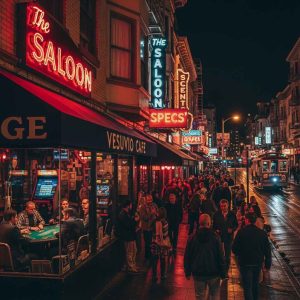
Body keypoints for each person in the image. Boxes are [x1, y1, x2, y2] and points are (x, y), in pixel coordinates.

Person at [184, 214, 226, 300]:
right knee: (214, 295)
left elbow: (187, 256)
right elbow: (221, 256)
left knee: (200, 296)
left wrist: (187, 272)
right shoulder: (215, 237)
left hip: (198, 273)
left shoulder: (192, 238)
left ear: (199, 223)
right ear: (209, 223)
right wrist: (223, 272)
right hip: (214, 273)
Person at [232, 213, 271, 300]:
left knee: (247, 286)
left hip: (245, 263)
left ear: (246, 220)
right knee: (255, 284)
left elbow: (234, 249)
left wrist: (240, 254)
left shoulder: (241, 232)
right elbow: (267, 251)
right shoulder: (262, 233)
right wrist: (267, 264)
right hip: (257, 263)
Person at [213, 199, 238, 274]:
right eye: (221, 206)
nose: (223, 208)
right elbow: (213, 225)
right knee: (219, 253)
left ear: (228, 206)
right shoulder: (217, 214)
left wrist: (232, 229)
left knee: (227, 255)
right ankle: (219, 269)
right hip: (219, 237)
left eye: (224, 206)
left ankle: (225, 271)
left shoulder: (232, 214)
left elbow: (236, 224)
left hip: (228, 237)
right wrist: (216, 230)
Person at [117, 200, 140, 273]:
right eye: (130, 205)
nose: (131, 206)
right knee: (130, 252)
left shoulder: (126, 214)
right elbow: (128, 225)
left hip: (131, 236)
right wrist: (135, 220)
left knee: (134, 251)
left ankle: (132, 265)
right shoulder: (122, 214)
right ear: (127, 206)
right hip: (128, 237)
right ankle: (130, 267)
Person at [151, 207, 170, 282]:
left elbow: (157, 234)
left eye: (158, 212)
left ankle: (154, 275)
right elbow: (165, 234)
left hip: (157, 243)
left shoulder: (158, 222)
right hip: (164, 243)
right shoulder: (165, 221)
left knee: (155, 260)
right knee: (163, 260)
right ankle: (163, 274)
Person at [139, 194, 158, 260]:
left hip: (154, 228)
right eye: (148, 200)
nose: (150, 201)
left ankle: (153, 256)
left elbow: (157, 214)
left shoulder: (154, 205)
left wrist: (156, 214)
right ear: (146, 200)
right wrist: (151, 214)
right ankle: (147, 257)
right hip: (146, 228)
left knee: (153, 243)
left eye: (151, 200)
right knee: (147, 243)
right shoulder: (143, 207)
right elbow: (143, 218)